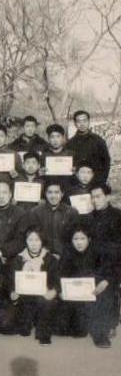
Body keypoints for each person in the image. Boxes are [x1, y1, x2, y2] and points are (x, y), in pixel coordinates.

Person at [57, 225, 115, 348]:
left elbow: (109, 272)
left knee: (107, 294)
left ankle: (100, 335)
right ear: (71, 241)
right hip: (75, 296)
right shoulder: (67, 253)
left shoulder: (98, 252)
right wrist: (61, 290)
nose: (79, 242)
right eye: (75, 239)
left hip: (95, 293)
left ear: (89, 239)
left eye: (82, 238)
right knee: (77, 332)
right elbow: (60, 276)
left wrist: (105, 282)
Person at [8, 227, 59, 345]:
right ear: (25, 241)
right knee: (22, 330)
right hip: (25, 298)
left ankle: (44, 334)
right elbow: (11, 280)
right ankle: (30, 321)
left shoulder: (50, 259)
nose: (34, 244)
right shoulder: (18, 259)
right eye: (30, 240)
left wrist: (53, 291)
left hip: (43, 297)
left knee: (46, 302)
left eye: (37, 240)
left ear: (42, 241)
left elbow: (56, 281)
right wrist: (13, 292)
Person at [89, 184, 121, 333]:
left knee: (109, 287)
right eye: (93, 197)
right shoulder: (89, 217)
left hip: (113, 263)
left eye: (98, 196)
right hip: (93, 262)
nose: (95, 200)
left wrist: (109, 276)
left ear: (108, 197)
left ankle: (111, 323)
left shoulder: (118, 216)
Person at [28, 181, 79, 257]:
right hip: (42, 256)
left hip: (66, 255)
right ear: (45, 194)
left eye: (56, 192)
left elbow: (74, 237)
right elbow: (33, 237)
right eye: (50, 192)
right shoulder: (36, 212)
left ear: (62, 194)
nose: (53, 196)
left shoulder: (72, 212)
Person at [66, 110, 111, 183]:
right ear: (75, 123)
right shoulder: (70, 144)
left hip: (96, 180)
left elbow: (106, 162)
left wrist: (102, 179)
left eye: (84, 120)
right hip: (77, 183)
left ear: (89, 121)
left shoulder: (98, 141)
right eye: (79, 121)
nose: (82, 124)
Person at [42, 124, 75, 193]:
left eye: (58, 136)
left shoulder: (71, 154)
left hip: (68, 191)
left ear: (63, 138)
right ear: (48, 139)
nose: (55, 140)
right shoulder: (44, 156)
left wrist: (75, 171)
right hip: (51, 193)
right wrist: (40, 172)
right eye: (52, 137)